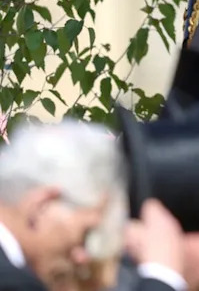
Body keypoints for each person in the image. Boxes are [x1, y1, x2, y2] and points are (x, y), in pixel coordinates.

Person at [0, 120, 127, 291]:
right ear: (41, 206)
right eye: (85, 234)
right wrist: (161, 279)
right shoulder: (13, 283)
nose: (81, 257)